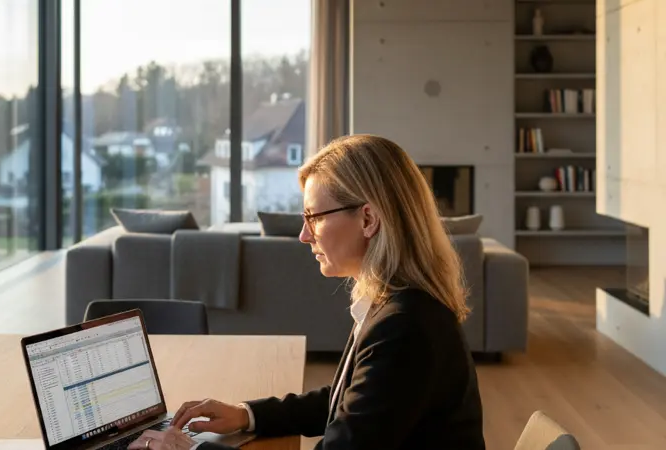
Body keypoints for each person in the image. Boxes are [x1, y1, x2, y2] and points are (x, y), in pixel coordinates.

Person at [128, 134, 486, 450]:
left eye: (313, 217)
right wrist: (246, 415)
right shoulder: (395, 305)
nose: (303, 235)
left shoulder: (405, 326)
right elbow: (347, 402)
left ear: (368, 219)